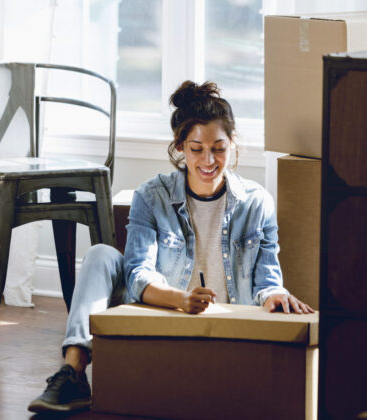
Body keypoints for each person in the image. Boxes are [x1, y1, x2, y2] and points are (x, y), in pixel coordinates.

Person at [27, 80, 314, 414]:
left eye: (218, 148)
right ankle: (72, 373)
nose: (209, 160)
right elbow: (137, 274)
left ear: (233, 143)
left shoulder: (257, 203)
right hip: (164, 308)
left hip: (227, 322)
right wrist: (181, 300)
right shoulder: (152, 196)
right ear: (180, 147)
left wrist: (275, 294)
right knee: (101, 255)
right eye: (196, 149)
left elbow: (267, 281)